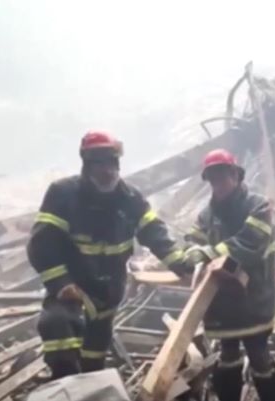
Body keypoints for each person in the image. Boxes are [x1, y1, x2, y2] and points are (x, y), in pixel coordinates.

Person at [27, 131, 191, 379]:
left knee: (94, 358)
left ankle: (91, 387)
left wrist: (181, 264)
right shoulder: (63, 194)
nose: (108, 170)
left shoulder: (130, 198)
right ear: (86, 164)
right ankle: (66, 385)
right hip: (73, 289)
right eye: (99, 163)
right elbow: (42, 244)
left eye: (112, 162)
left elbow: (154, 233)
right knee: (58, 328)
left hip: (108, 293)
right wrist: (61, 283)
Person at [184, 149, 275, 401]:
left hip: (255, 299)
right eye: (213, 179)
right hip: (223, 304)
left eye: (222, 177)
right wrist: (194, 255)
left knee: (259, 355)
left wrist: (210, 252)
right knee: (227, 357)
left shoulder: (258, 205)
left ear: (236, 175)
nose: (218, 184)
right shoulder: (206, 215)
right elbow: (192, 242)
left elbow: (250, 242)